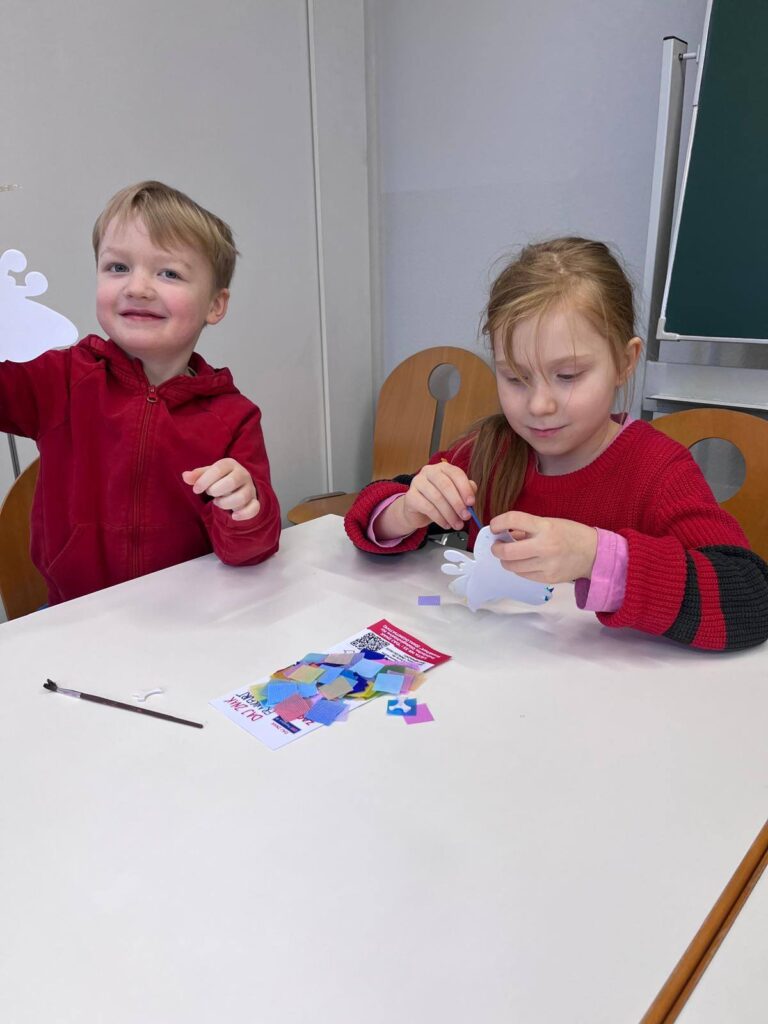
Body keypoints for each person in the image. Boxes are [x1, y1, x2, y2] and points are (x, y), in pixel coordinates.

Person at [345, 237, 768, 651]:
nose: (539, 405)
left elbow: (750, 599)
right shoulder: (489, 452)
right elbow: (369, 515)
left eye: (568, 376)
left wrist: (595, 556)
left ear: (625, 362)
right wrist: (404, 511)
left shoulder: (658, 470)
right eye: (515, 378)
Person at [0, 180, 281, 605]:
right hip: (76, 615)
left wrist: (246, 508)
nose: (137, 288)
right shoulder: (61, 379)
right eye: (118, 267)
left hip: (190, 617)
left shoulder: (234, 417)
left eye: (169, 273)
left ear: (215, 305)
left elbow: (251, 549)